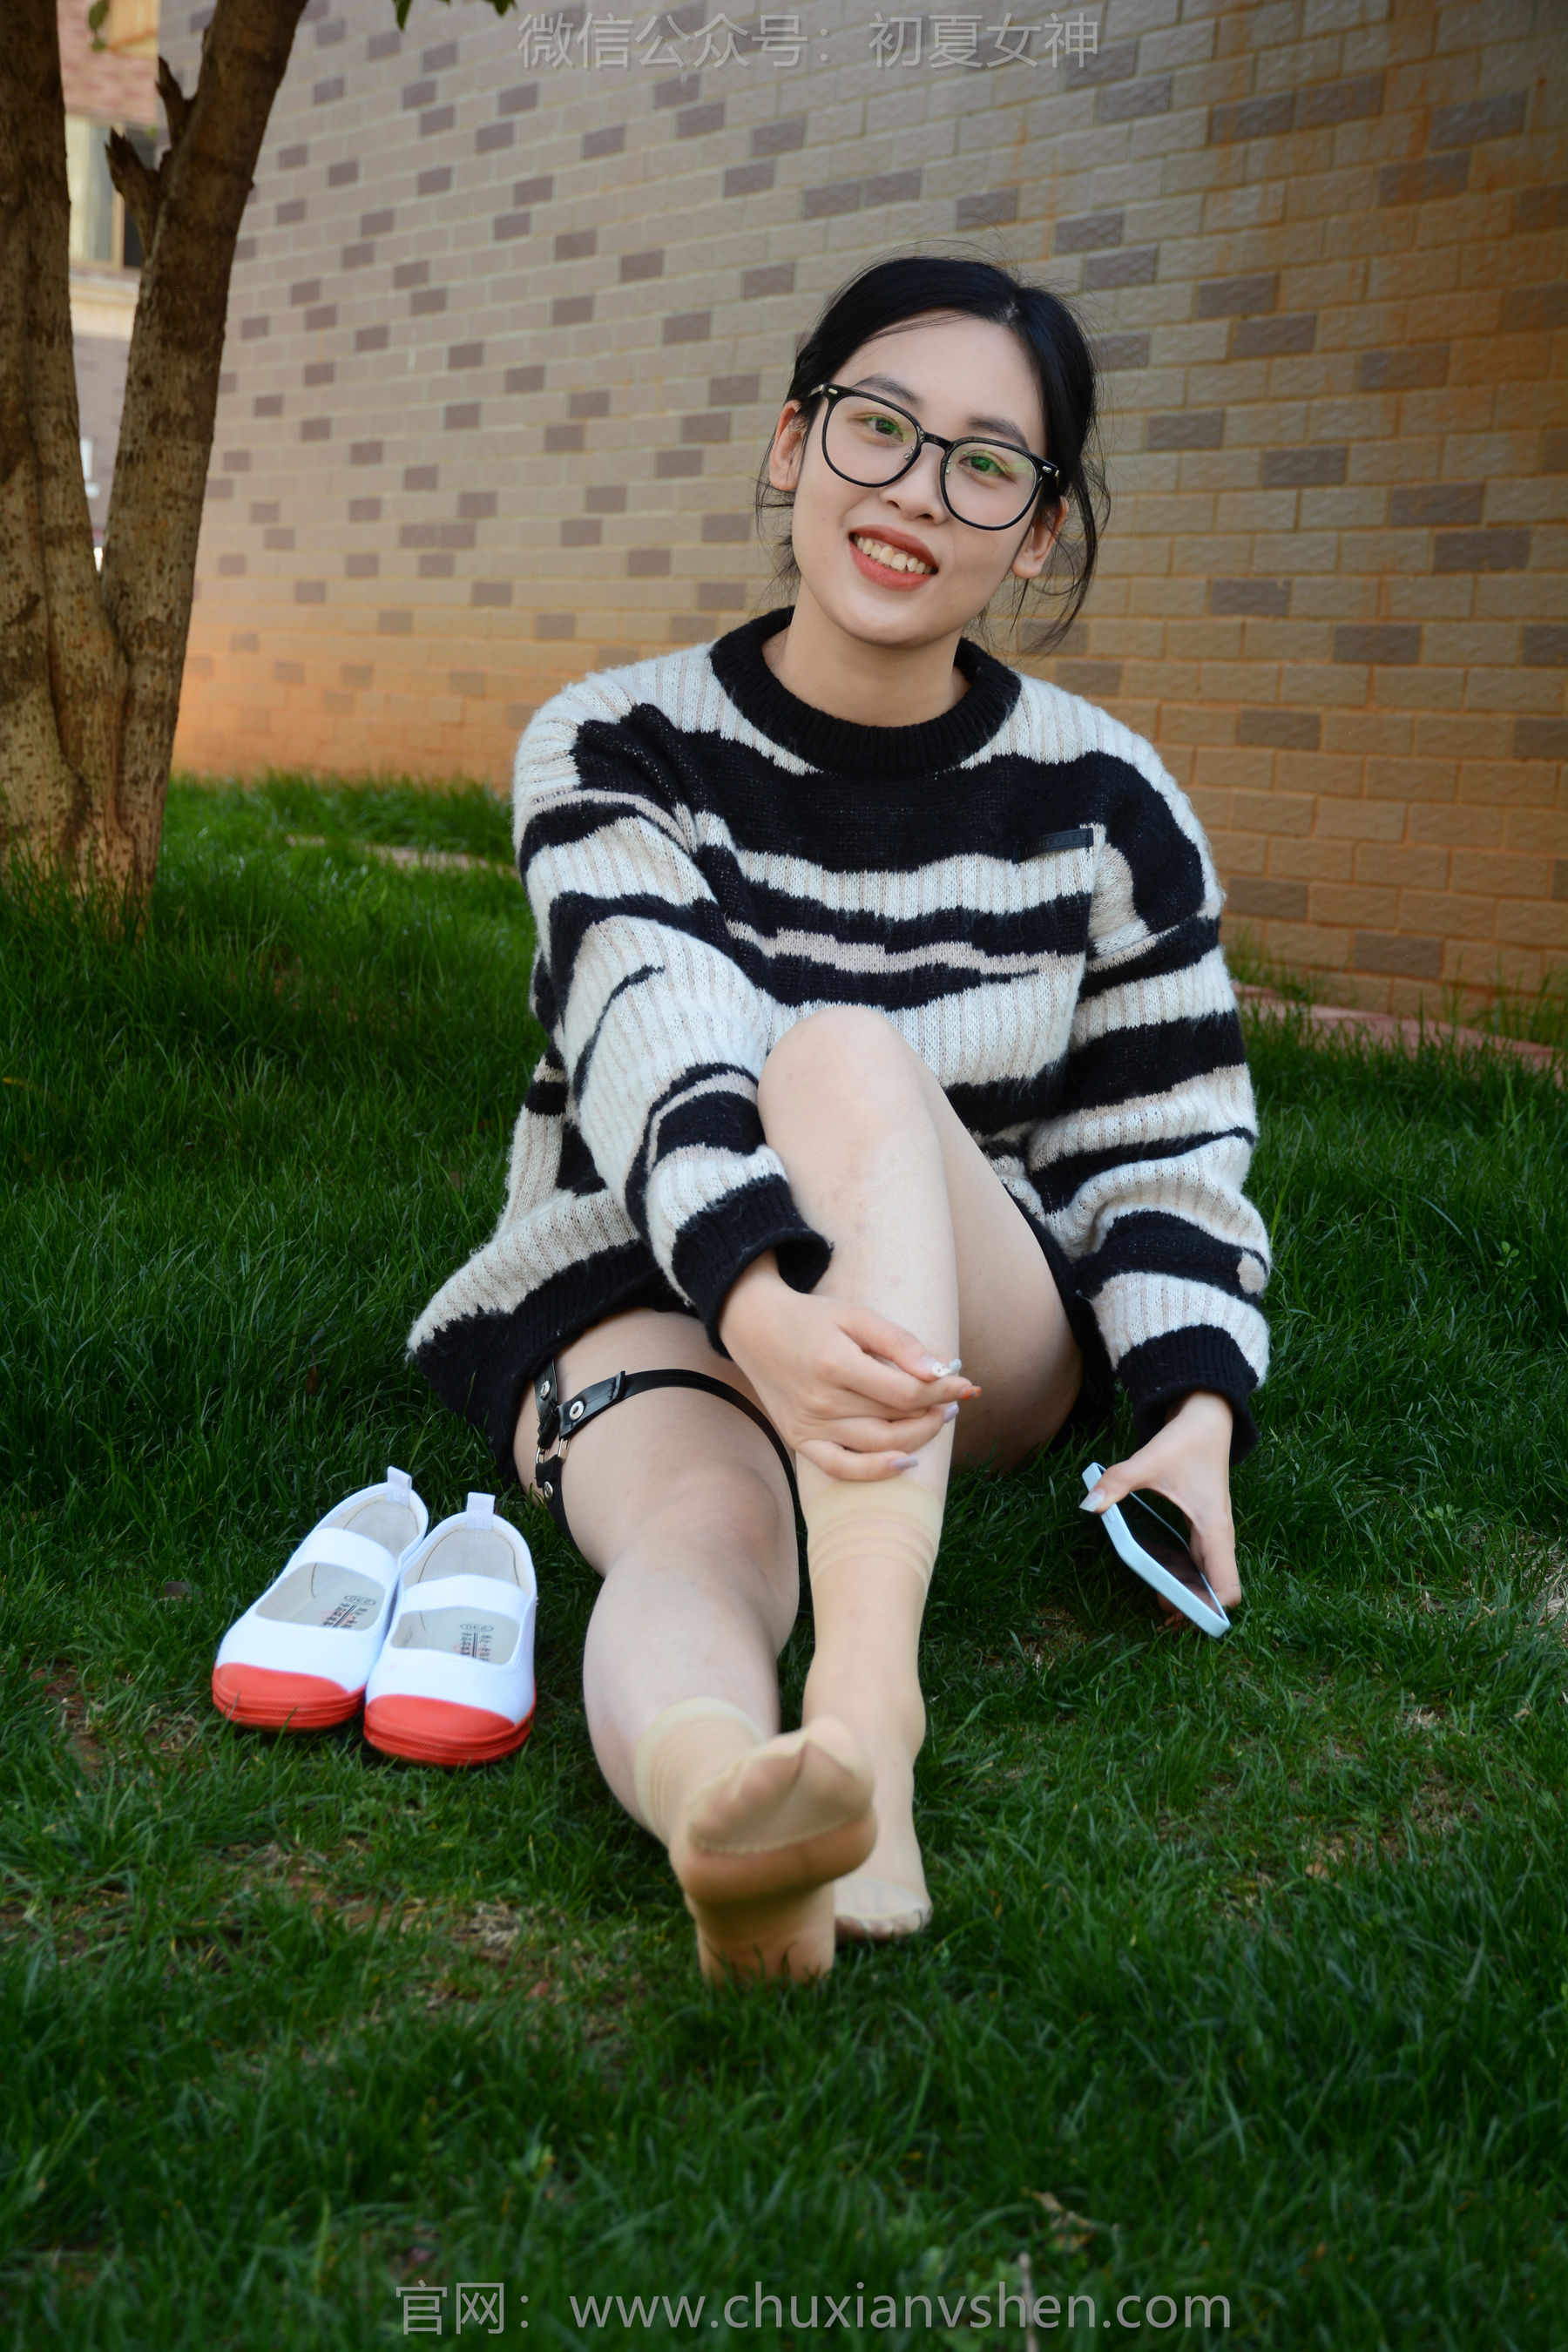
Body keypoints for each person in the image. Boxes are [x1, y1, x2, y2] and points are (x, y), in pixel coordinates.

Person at [409, 253, 1272, 1985]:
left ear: (1038, 531)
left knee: (845, 1061)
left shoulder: (1109, 802)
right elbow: (655, 1035)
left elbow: (1165, 1140)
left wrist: (1192, 1409)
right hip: (659, 1279)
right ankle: (724, 1807)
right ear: (795, 441)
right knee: (697, 1535)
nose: (916, 492)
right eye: (879, 429)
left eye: (984, 464)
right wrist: (755, 1313)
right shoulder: (615, 742)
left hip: (956, 1325)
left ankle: (872, 1708)